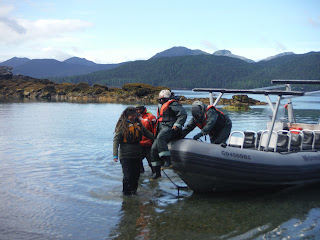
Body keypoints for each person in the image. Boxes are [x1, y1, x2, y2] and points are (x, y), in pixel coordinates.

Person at [113, 106, 154, 195]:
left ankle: (134, 192)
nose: (134, 117)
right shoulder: (122, 126)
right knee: (128, 176)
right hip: (125, 155)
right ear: (127, 116)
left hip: (136, 154)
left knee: (136, 175)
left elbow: (147, 133)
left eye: (135, 115)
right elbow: (116, 140)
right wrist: (115, 155)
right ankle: (126, 195)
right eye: (132, 116)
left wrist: (157, 140)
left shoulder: (138, 124)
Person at [150, 89, 187, 180]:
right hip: (162, 128)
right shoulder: (161, 105)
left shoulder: (174, 104)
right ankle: (157, 172)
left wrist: (177, 125)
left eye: (163, 99)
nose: (161, 100)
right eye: (160, 99)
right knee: (153, 149)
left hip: (172, 128)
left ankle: (167, 160)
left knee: (161, 138)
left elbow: (182, 114)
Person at [136, 105, 156, 174]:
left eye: (140, 109)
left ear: (144, 109)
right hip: (139, 144)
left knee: (151, 162)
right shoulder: (136, 117)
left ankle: (155, 175)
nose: (138, 111)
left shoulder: (151, 117)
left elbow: (155, 130)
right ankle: (141, 174)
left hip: (149, 144)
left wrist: (154, 141)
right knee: (137, 161)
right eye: (137, 109)